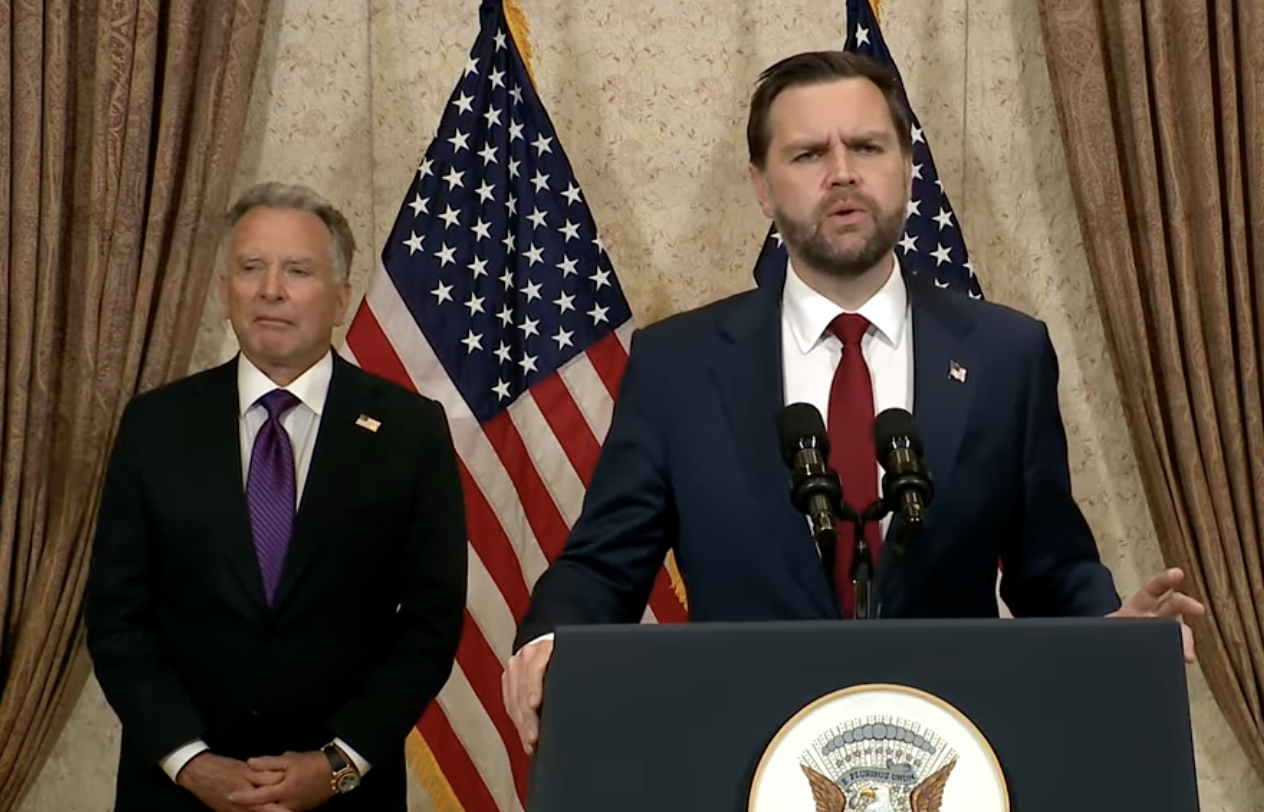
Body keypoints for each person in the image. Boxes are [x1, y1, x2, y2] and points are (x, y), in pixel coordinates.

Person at [501, 51, 1205, 754]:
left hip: (946, 753)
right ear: (762, 187)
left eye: (867, 147)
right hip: (744, 753)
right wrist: (549, 638)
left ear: (907, 168)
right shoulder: (678, 365)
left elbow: (1051, 568)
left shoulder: (1005, 355)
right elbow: (604, 564)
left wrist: (1110, 635)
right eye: (809, 154)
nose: (842, 172)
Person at [85, 183, 467, 812]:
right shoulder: (154, 426)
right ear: (224, 292)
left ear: (340, 300)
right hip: (177, 795)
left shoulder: (411, 432)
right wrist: (191, 763)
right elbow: (116, 617)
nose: (270, 290)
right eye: (251, 267)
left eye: (297, 270)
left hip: (345, 797)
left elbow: (431, 623)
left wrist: (339, 765)